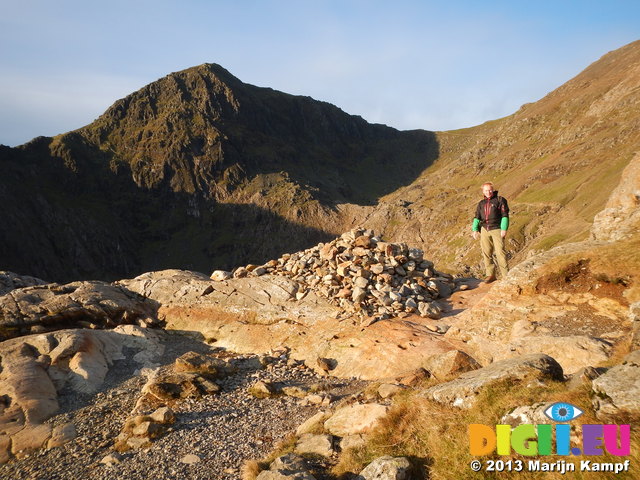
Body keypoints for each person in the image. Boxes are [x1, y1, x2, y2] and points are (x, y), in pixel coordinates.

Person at [472, 182, 509, 283]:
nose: (488, 192)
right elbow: (477, 217)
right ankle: (490, 275)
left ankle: (506, 276)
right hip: (484, 229)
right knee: (486, 253)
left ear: (493, 190)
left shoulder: (500, 200)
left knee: (500, 252)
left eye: (490, 190)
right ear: (483, 191)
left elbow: (505, 215)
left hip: (497, 229)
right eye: (486, 190)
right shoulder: (481, 203)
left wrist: (504, 229)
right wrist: (475, 229)